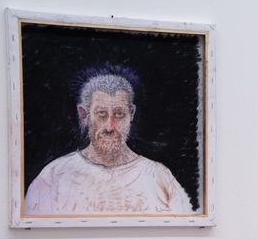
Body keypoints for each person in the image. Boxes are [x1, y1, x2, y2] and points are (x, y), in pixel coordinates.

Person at [24, 73, 193, 215]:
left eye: (119, 114)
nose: (110, 127)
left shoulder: (158, 176)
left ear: (131, 114)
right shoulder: (54, 176)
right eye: (101, 114)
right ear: (84, 115)